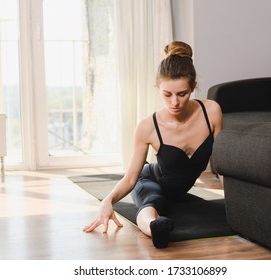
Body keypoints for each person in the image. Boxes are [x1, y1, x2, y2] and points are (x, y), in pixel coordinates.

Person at [83, 41, 223, 248]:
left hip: (179, 193)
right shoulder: (148, 127)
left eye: (182, 94)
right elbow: (131, 177)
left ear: (193, 87)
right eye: (167, 94)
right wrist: (108, 201)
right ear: (159, 89)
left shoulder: (211, 111)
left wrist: (236, 204)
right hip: (148, 180)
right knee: (152, 203)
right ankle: (155, 228)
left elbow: (224, 165)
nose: (174, 102)